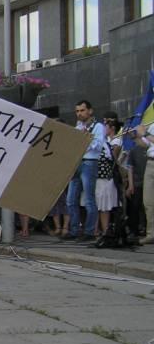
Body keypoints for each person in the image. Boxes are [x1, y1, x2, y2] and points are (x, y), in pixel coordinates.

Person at [63, 100, 104, 241]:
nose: (79, 114)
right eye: (77, 111)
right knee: (70, 199)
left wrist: (86, 139)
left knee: (89, 199)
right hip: (77, 162)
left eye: (82, 110)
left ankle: (89, 231)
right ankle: (74, 230)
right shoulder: (78, 126)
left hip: (89, 163)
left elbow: (98, 146)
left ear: (90, 111)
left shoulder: (98, 126)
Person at [134, 121, 154, 244]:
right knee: (148, 201)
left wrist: (145, 133)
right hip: (151, 162)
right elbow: (145, 144)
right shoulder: (153, 125)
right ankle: (151, 234)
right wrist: (135, 136)